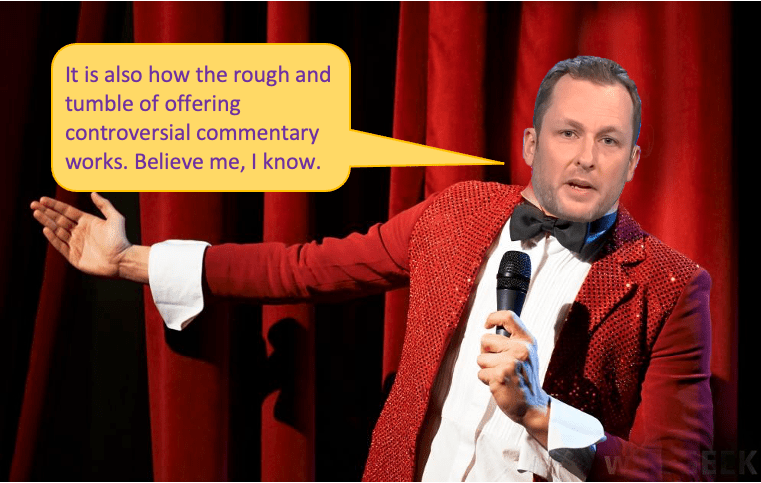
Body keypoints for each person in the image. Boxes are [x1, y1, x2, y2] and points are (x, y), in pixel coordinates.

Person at [31, 56, 712, 481]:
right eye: (568, 133)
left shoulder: (670, 286)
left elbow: (678, 472)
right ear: (532, 143)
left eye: (609, 140)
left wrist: (541, 415)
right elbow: (305, 268)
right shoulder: (458, 212)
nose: (586, 157)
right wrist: (131, 260)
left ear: (632, 160)